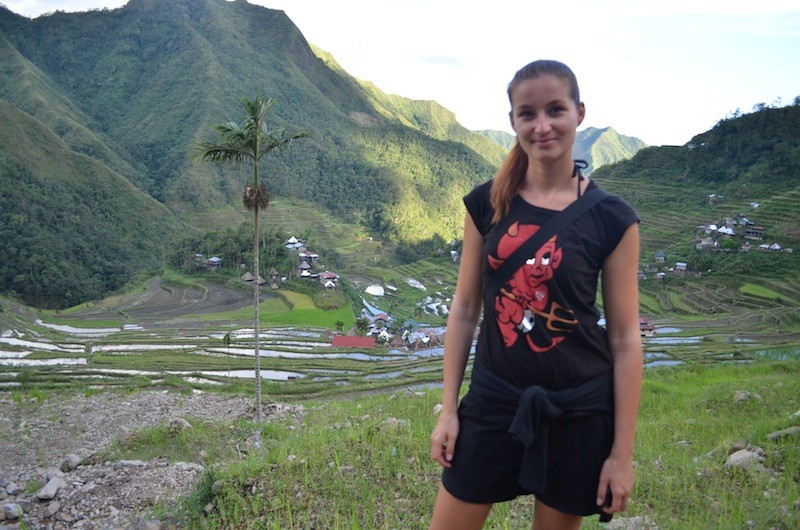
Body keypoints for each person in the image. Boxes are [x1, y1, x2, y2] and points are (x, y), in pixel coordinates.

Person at [429, 59, 643, 530]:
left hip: (578, 412)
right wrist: (449, 409)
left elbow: (626, 339)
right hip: (493, 401)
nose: (542, 125)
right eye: (528, 113)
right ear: (513, 122)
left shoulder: (613, 219)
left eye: (555, 110)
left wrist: (621, 455)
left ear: (579, 113)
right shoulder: (487, 203)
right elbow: (466, 309)